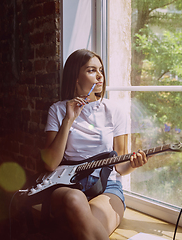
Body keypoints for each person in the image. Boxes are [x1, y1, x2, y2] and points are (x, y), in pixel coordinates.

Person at [41, 49, 148, 240]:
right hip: (67, 185)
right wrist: (68, 120)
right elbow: (50, 164)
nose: (100, 76)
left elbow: (120, 166)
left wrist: (133, 163)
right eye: (91, 70)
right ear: (75, 77)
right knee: (75, 200)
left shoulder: (114, 110)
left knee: (86, 229)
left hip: (107, 186)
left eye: (101, 70)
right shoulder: (57, 110)